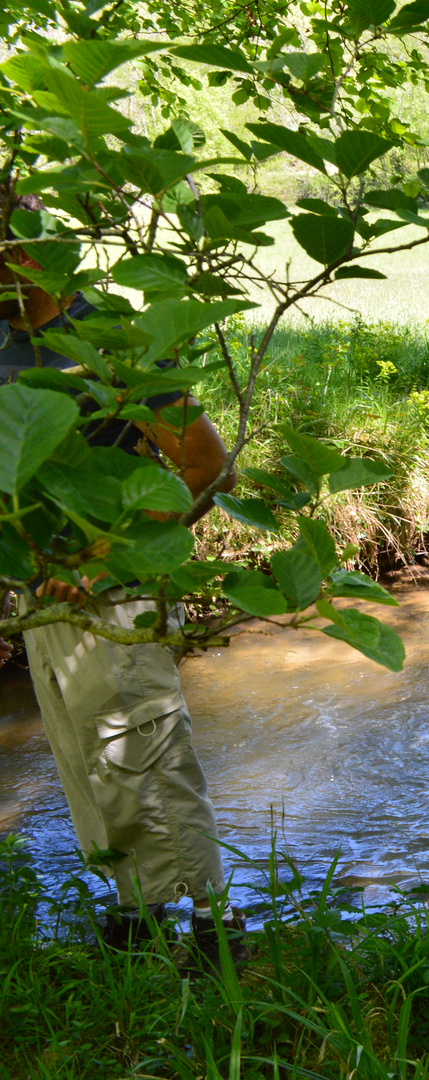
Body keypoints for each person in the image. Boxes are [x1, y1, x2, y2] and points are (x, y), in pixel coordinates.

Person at [0, 193, 245, 964]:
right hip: (39, 595)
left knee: (149, 752)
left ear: (31, 250)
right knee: (85, 758)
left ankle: (214, 929)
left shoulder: (110, 339)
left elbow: (207, 467)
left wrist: (110, 561)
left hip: (115, 593)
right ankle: (138, 914)